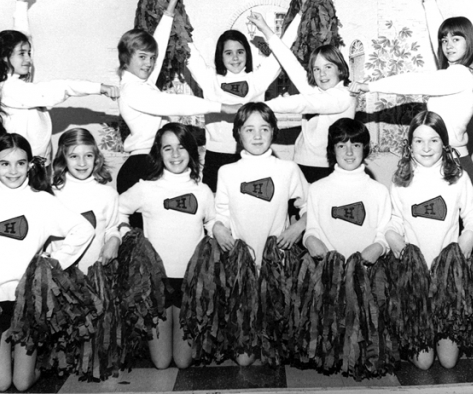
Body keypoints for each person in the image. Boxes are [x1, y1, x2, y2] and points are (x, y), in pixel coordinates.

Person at [0, 133, 94, 392]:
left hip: (29, 303)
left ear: (30, 165)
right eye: (5, 163)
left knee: (21, 383)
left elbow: (83, 228)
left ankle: (42, 362)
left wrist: (53, 266)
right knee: (2, 383)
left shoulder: (41, 201)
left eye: (20, 163)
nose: (13, 170)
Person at [116, 0, 237, 226]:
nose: (149, 64)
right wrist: (220, 107)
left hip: (152, 162)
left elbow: (158, 49)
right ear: (126, 59)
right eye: (142, 58)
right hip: (141, 166)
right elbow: (172, 104)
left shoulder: (141, 81)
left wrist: (170, 7)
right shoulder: (131, 90)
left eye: (151, 58)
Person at [349, 0, 473, 187]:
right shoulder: (460, 72)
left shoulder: (462, 76)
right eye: (445, 40)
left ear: (469, 42)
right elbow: (436, 35)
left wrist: (370, 85)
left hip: (454, 162)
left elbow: (414, 82)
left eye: (456, 39)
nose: (448, 45)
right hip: (441, 158)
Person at [0, 0, 119, 163]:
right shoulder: (9, 88)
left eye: (29, 53)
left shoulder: (13, 80)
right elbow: (60, 88)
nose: (28, 58)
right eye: (23, 54)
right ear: (4, 57)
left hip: (37, 160)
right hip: (24, 164)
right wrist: (99, 88)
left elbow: (22, 34)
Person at [212, 102, 309, 365]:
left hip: (276, 267)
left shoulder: (287, 169)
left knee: (273, 355)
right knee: (244, 360)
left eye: (264, 129)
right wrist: (218, 228)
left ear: (273, 132)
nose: (257, 136)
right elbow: (219, 214)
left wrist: (298, 226)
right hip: (241, 268)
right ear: (238, 134)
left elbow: (313, 207)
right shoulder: (227, 172)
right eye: (249, 129)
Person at [383, 111, 473, 370]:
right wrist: (392, 235)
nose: (426, 148)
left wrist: (467, 240)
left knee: (448, 362)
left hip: (448, 280)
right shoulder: (401, 180)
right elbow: (394, 219)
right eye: (419, 141)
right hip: (416, 280)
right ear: (410, 145)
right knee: (424, 364)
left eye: (434, 140)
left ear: (444, 143)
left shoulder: (458, 177)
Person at [118, 123, 215, 369]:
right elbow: (117, 210)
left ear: (192, 152)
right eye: (167, 148)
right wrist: (126, 234)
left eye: (181, 148)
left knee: (182, 362)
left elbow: (212, 220)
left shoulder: (202, 191)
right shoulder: (145, 188)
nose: (175, 155)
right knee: (161, 363)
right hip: (156, 284)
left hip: (190, 283)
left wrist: (218, 228)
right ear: (158, 153)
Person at [185, 5, 302, 192]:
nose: (235, 58)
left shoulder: (257, 78)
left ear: (247, 53)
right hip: (217, 158)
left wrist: (301, 13)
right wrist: (171, 11)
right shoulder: (210, 79)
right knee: (216, 215)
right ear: (220, 55)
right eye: (228, 52)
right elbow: (188, 51)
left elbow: (283, 48)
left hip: (251, 155)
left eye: (240, 51)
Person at [248, 11, 356, 183]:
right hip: (300, 162)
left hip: (328, 168)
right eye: (316, 69)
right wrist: (265, 29)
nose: (322, 74)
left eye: (328, 67)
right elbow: (290, 64)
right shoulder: (318, 91)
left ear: (340, 68)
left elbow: (303, 103)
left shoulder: (344, 96)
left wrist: (259, 106)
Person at [303, 117, 391, 262]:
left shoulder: (380, 191)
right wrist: (310, 239)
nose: (349, 152)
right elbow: (312, 229)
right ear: (332, 149)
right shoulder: (317, 189)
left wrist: (379, 246)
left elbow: (383, 233)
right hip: (328, 271)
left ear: (365, 148)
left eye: (356, 145)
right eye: (342, 146)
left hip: (367, 272)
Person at [47, 128, 122, 274]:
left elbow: (112, 228)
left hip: (94, 276)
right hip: (58, 277)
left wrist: (115, 239)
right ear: (63, 158)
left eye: (88, 155)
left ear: (96, 158)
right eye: (74, 156)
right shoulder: (52, 194)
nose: (82, 163)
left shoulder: (108, 193)